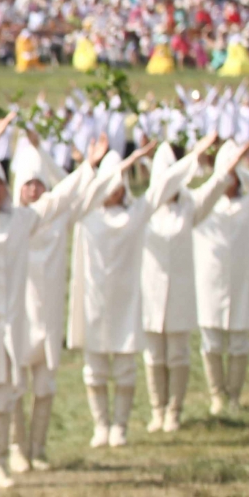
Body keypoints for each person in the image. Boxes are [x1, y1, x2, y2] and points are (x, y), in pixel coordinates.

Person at [0, 115, 132, 490]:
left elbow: (59, 200)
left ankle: (2, 463)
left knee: (5, 396)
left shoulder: (20, 222)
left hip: (9, 324)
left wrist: (88, 166)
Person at [7, 131, 110, 471]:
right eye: (27, 185)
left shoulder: (58, 218)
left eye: (38, 184)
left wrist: (90, 166)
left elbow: (77, 193)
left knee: (45, 387)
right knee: (14, 386)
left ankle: (38, 448)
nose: (33, 190)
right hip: (17, 313)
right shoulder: (10, 222)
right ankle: (16, 448)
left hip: (48, 313)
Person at [67, 143, 164, 449]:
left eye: (118, 185)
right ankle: (101, 425)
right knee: (94, 370)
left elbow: (164, 188)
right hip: (93, 302)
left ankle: (120, 426)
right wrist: (100, 168)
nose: (113, 191)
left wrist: (141, 162)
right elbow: (75, 197)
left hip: (126, 302)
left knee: (124, 367)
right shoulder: (86, 215)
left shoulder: (135, 214)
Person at [138, 136, 227, 432]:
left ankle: (174, 409)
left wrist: (223, 163)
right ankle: (157, 410)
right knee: (154, 355)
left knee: (177, 354)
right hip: (150, 291)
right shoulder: (146, 208)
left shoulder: (189, 205)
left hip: (179, 291)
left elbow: (215, 189)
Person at [192, 140, 249, 411]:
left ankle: (235, 396)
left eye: (234, 175)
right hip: (210, 282)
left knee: (239, 341)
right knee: (212, 340)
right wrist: (222, 170)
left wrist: (240, 166)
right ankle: (217, 394)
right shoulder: (203, 204)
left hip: (240, 281)